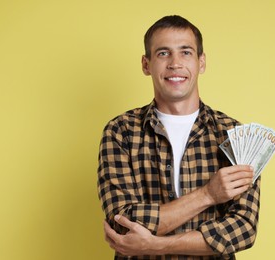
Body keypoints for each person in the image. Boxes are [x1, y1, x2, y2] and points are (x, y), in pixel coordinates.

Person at [97, 15, 260, 259]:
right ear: (146, 64)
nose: (175, 63)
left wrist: (153, 245)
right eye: (163, 53)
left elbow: (242, 229)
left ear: (201, 62)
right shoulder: (121, 131)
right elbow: (123, 224)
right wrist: (208, 195)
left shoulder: (235, 135)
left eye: (186, 52)